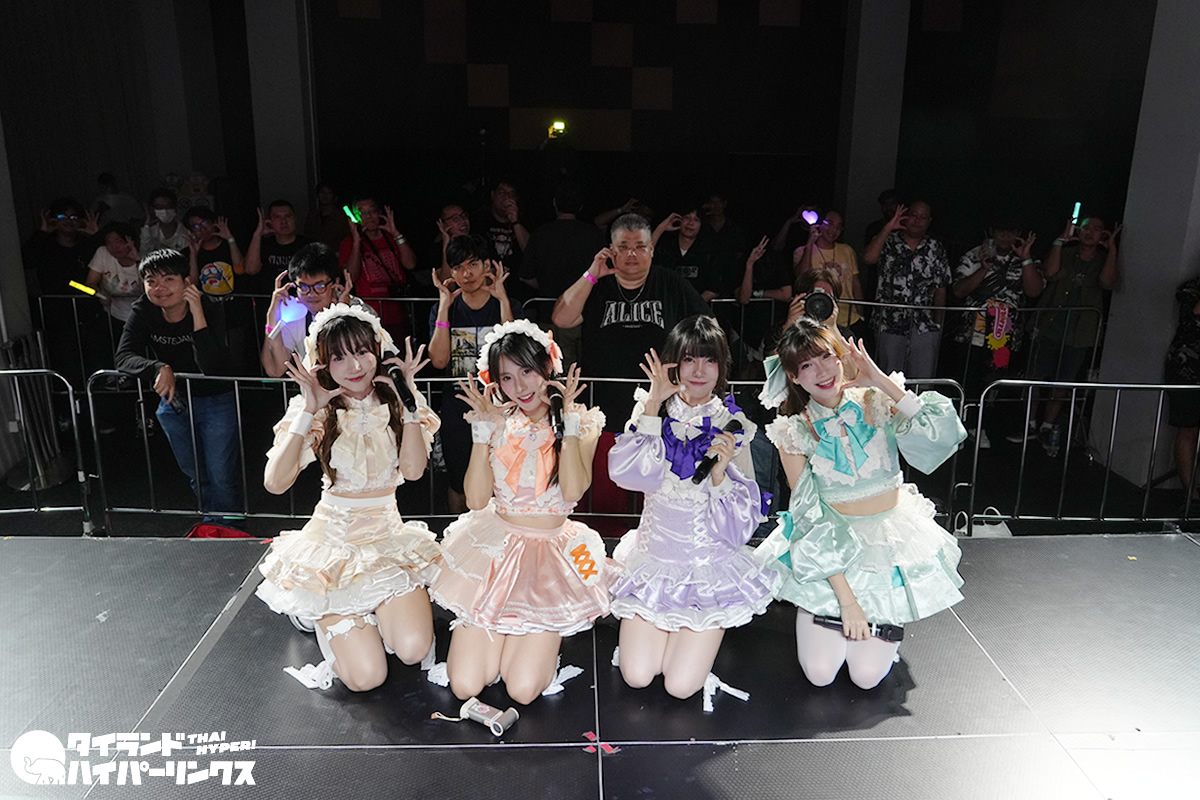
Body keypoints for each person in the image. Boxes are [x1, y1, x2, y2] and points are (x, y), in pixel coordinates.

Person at [754, 318, 966, 689]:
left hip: (888, 542)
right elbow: (809, 517)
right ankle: (826, 610)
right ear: (794, 377)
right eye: (807, 365)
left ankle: (881, 620)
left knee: (866, 677)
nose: (822, 371)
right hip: (831, 551)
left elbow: (943, 434)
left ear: (840, 356)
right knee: (820, 673)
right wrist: (847, 602)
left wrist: (880, 379)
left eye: (826, 356)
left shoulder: (876, 400)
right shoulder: (793, 430)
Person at [257, 305, 441, 692]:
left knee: (412, 650)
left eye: (361, 351)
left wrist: (409, 402)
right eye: (339, 357)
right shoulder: (316, 406)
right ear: (323, 363)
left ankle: (369, 615)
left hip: (388, 539)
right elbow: (275, 483)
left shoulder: (398, 399)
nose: (354, 366)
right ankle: (319, 613)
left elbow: (412, 472)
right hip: (334, 546)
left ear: (377, 350)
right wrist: (310, 409)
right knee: (366, 678)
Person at [428, 321, 609, 705]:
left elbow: (573, 490)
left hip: (549, 556)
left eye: (527, 371)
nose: (520, 386)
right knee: (465, 685)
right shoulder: (497, 422)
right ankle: (503, 639)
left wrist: (568, 426)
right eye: (507, 378)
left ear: (548, 367)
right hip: (497, 549)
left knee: (522, 690)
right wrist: (482, 431)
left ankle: (535, 644)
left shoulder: (583, 422)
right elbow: (476, 500)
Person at [608, 315, 774, 700]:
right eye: (689, 359)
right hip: (653, 563)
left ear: (722, 367)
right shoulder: (650, 410)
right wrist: (653, 402)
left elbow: (740, 527)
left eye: (710, 360)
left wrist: (720, 475)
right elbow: (629, 475)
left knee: (680, 686)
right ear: (675, 363)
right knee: (637, 675)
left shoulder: (734, 426)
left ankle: (696, 645)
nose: (699, 370)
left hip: (707, 571)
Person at [550, 213, 709, 518]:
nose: (632, 254)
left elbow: (706, 328)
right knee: (606, 502)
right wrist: (591, 274)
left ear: (652, 249)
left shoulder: (670, 283)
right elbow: (561, 318)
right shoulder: (597, 285)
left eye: (640, 247)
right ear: (611, 251)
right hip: (604, 410)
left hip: (660, 412)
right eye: (623, 247)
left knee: (654, 500)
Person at [115, 249, 242, 519]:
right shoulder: (143, 309)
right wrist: (158, 367)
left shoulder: (209, 306)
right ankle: (211, 522)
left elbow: (213, 367)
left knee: (221, 474)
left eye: (168, 279)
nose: (159, 288)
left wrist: (197, 313)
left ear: (186, 282)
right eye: (151, 281)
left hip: (216, 400)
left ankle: (232, 531)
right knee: (194, 472)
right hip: (175, 402)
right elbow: (123, 356)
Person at [429, 234, 518, 514]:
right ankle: (457, 535)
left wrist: (503, 300)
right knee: (458, 479)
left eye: (473, 265)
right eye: (458, 267)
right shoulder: (444, 308)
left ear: (487, 266)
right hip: (458, 403)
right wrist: (444, 307)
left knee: (501, 477)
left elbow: (513, 355)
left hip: (500, 403)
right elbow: (439, 360)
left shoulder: (507, 304)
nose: (466, 274)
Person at [1020, 215, 1120, 453]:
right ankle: (1028, 424)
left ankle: (1047, 426)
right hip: (1050, 325)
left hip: (1080, 333)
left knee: (1063, 382)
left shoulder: (1103, 260)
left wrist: (1112, 249)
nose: (1090, 232)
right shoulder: (1066, 253)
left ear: (1103, 235)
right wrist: (1059, 242)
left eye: (1097, 229)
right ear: (1078, 230)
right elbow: (1050, 273)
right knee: (1035, 377)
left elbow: (1108, 282)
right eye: (1086, 228)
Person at [949, 221, 1042, 448]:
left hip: (1006, 336)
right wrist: (984, 268)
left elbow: (1035, 291)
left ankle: (986, 427)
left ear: (1018, 234)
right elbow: (958, 290)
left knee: (995, 383)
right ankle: (963, 428)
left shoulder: (1026, 258)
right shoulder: (974, 255)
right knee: (968, 381)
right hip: (973, 333)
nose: (1005, 236)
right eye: (1001, 231)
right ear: (992, 231)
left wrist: (1026, 258)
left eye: (1010, 231)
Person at [863, 200, 950, 378]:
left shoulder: (935, 247)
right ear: (905, 216)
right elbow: (868, 258)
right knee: (889, 380)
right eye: (913, 215)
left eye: (923, 217)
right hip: (889, 323)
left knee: (922, 381)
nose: (917, 220)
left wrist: (938, 325)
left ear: (929, 221)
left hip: (924, 324)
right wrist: (888, 228)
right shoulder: (888, 241)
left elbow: (940, 288)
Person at [260, 242, 362, 377]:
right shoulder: (294, 314)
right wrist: (272, 317)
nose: (311, 294)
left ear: (336, 283)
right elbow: (275, 370)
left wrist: (342, 312)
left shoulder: (357, 310)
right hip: (312, 389)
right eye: (303, 287)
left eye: (319, 286)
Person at [339, 195, 416, 339]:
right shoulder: (349, 243)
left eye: (372, 211)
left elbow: (410, 264)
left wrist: (396, 233)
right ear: (354, 217)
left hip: (397, 312)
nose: (368, 216)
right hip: (368, 314)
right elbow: (351, 276)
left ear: (379, 213)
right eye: (361, 212)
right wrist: (357, 241)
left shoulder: (391, 237)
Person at [795, 210, 866, 342]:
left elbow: (855, 284)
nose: (834, 230)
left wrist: (861, 314)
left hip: (849, 318)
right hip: (818, 317)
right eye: (830, 224)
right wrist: (810, 243)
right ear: (820, 224)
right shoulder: (801, 251)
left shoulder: (847, 250)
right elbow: (802, 275)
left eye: (839, 226)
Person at [1165, 274, 1200, 506]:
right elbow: (1192, 318)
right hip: (1187, 368)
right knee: (1188, 428)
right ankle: (1190, 492)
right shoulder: (1189, 289)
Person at [85, 222, 144, 355]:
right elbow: (88, 285)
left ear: (131, 241)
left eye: (119, 241)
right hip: (112, 315)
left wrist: (138, 261)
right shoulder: (103, 253)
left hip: (141, 316)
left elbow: (146, 290)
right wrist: (99, 294)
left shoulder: (145, 256)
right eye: (109, 243)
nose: (114, 247)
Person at [651, 203, 720, 301]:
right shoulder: (665, 248)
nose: (690, 223)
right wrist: (661, 228)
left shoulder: (708, 252)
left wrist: (693, 305)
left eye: (696, 220)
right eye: (687, 218)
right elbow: (644, 256)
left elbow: (714, 288)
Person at [245, 200, 312, 296]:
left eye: (288, 216)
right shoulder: (264, 244)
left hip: (302, 300)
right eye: (277, 217)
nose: (283, 221)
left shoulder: (308, 246)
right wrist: (258, 234)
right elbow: (251, 270)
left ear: (295, 219)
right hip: (270, 300)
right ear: (270, 221)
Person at [140, 188, 189, 254]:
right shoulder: (150, 231)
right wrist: (146, 227)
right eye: (159, 207)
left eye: (168, 207)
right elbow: (144, 253)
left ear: (175, 208)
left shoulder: (186, 233)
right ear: (152, 209)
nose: (164, 211)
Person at [303, 182, 351, 250]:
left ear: (335, 197)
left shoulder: (341, 217)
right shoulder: (312, 216)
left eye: (329, 193)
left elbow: (347, 238)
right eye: (322, 192)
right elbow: (307, 236)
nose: (325, 196)